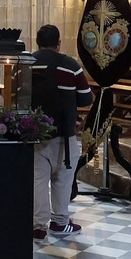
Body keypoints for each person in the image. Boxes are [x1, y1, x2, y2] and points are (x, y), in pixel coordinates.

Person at [30, 24, 94, 241]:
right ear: (58, 43)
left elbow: (16, 95)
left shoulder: (28, 64)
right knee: (63, 178)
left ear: (38, 42)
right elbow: (86, 98)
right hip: (64, 134)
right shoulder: (70, 65)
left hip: (35, 132)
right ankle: (59, 222)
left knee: (38, 179)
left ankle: (38, 226)